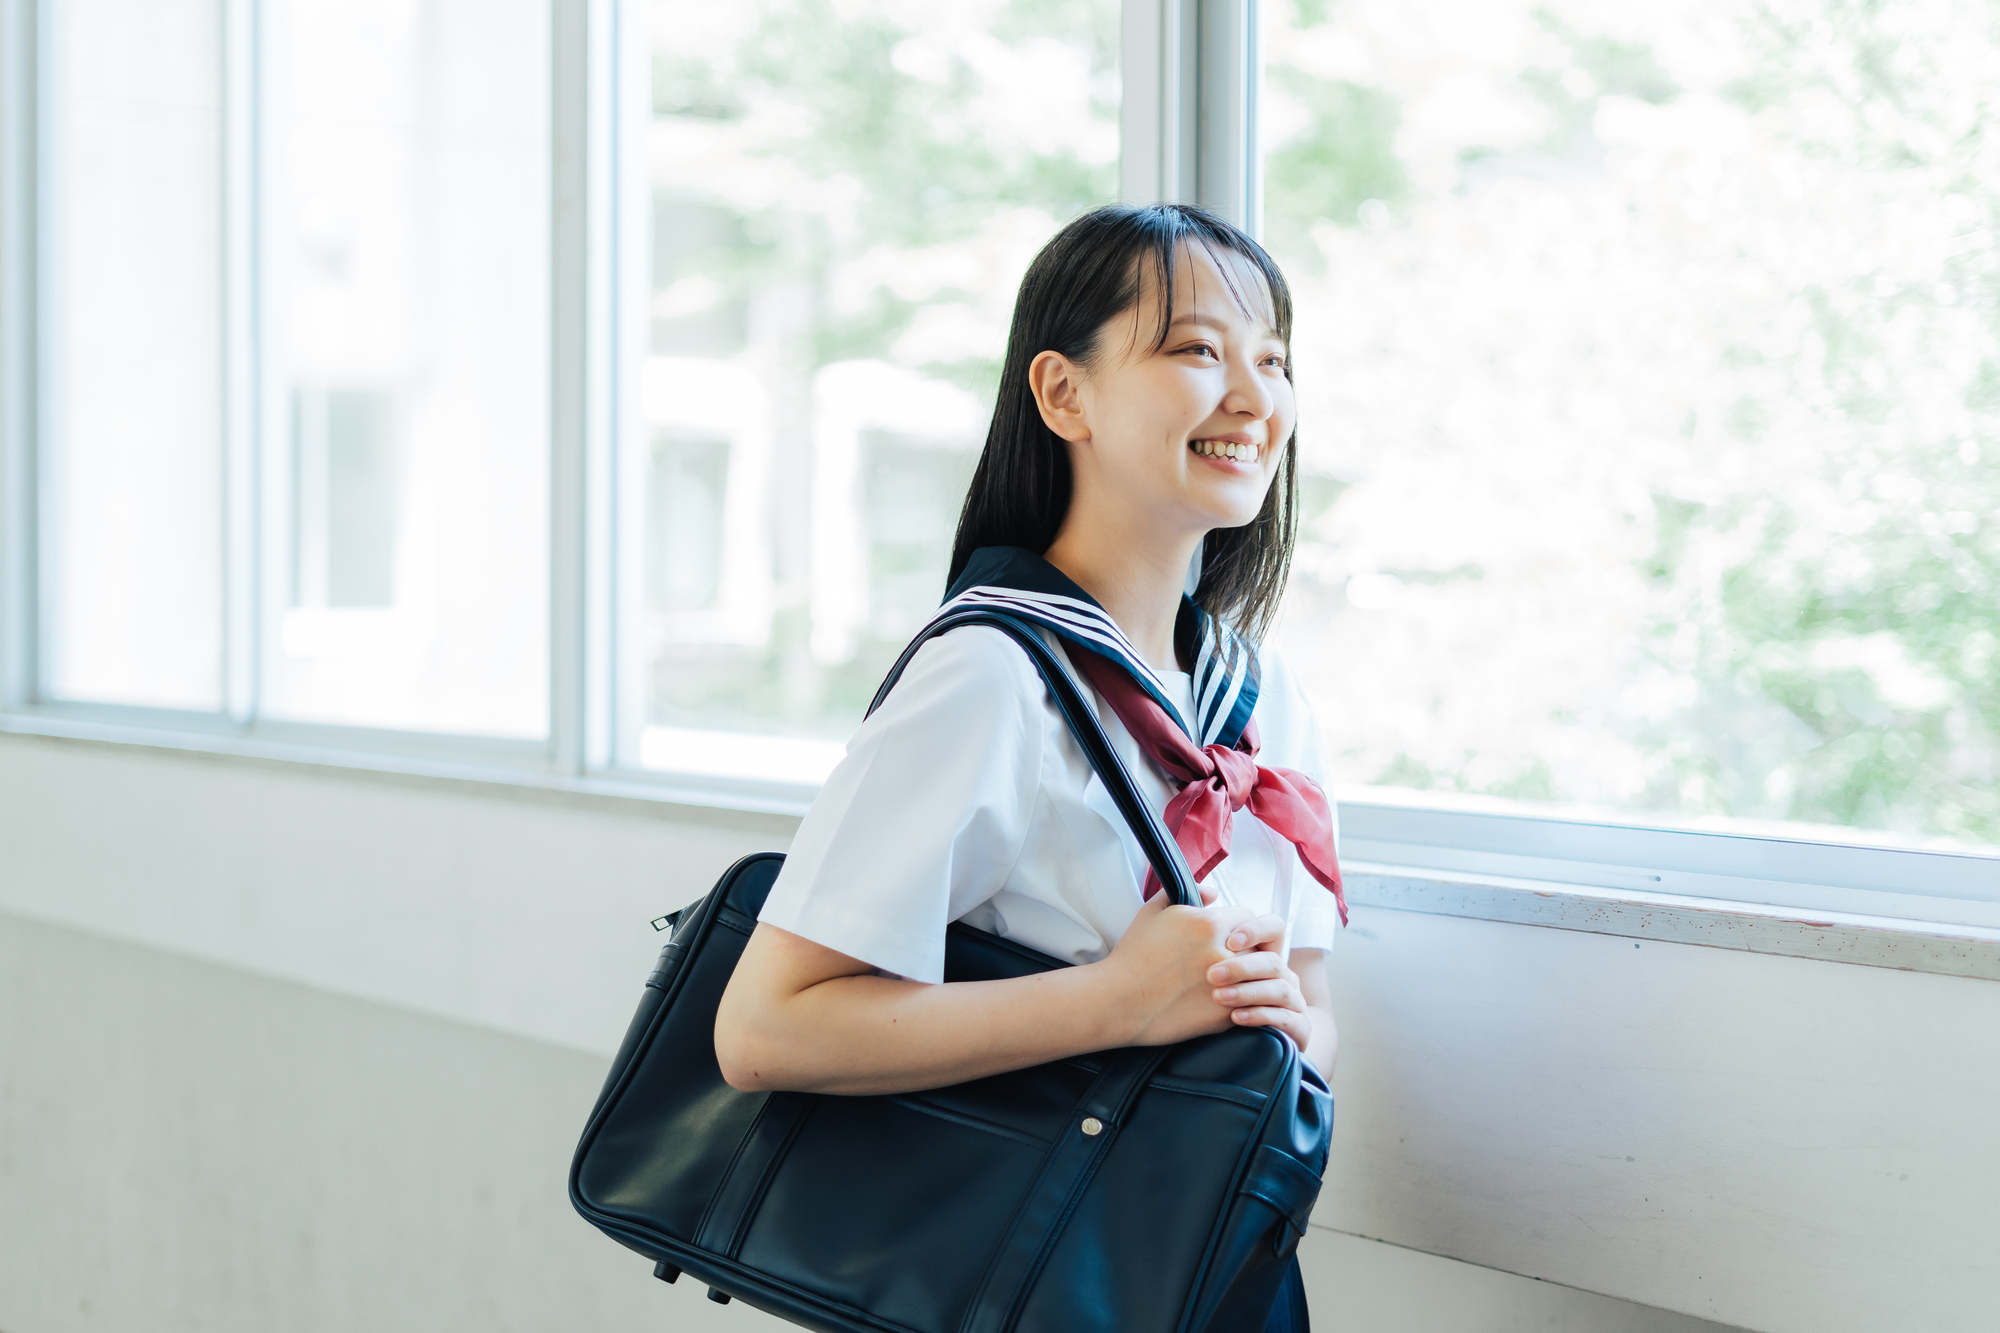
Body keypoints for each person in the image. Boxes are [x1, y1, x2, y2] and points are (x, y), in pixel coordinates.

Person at [714, 202, 1344, 1333]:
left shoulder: (1265, 700)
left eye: (1273, 361)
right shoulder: (990, 673)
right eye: (1198, 350)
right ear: (1063, 395)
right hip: (1029, 1274)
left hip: (1211, 1272)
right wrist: (1113, 1001)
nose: (1253, 399)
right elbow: (764, 1030)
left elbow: (1312, 1016)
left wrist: (1280, 1022)